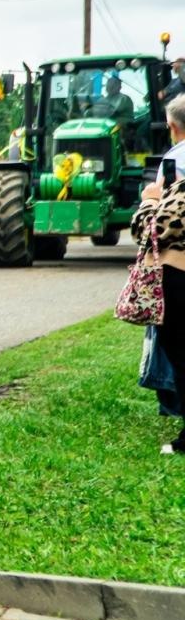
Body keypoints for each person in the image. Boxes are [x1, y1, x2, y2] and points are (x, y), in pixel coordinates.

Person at [131, 158, 185, 454]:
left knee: (181, 356)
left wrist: (150, 201)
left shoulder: (181, 194)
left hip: (178, 280)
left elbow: (151, 231)